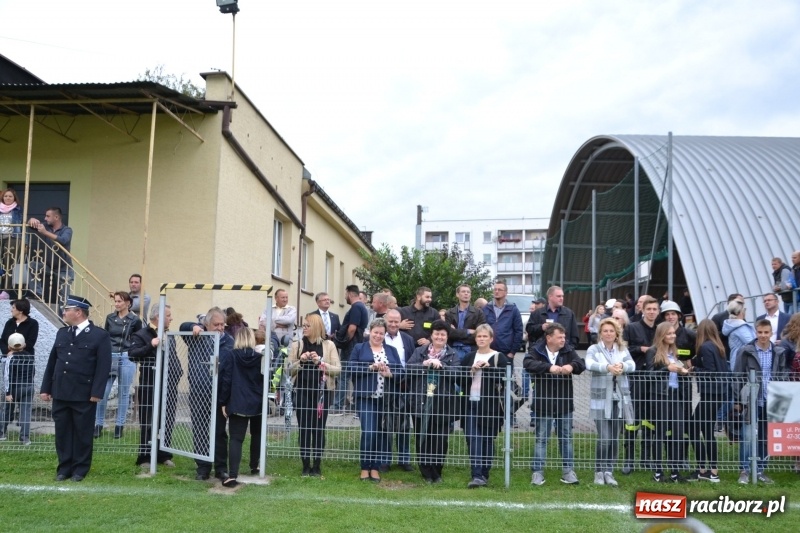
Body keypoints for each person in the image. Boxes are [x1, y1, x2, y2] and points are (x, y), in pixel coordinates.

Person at [40, 296, 112, 482]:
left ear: (78, 312)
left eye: (67, 309)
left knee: (82, 432)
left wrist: (97, 392)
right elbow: (52, 362)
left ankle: (80, 468)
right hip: (61, 390)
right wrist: (46, 388)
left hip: (83, 393)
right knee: (62, 432)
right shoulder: (62, 333)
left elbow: (103, 366)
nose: (63, 313)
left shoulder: (99, 335)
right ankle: (64, 468)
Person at [525, 322, 586, 486]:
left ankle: (568, 472)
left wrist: (571, 365)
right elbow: (527, 363)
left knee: (566, 438)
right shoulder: (536, 350)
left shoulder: (568, 350)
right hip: (543, 404)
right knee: (541, 438)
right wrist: (548, 368)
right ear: (549, 338)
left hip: (564, 403)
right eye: (560, 337)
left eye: (564, 337)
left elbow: (581, 364)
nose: (563, 340)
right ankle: (537, 472)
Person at [734, 320, 790, 484]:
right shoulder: (746, 351)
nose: (763, 336)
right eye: (760, 332)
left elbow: (782, 375)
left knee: (766, 437)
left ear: (771, 333)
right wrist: (739, 399)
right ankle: (744, 470)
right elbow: (737, 376)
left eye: (766, 332)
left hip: (770, 399)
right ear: (755, 332)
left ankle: (760, 470)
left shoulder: (778, 352)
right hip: (751, 400)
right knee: (747, 436)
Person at [181, 307, 233, 481]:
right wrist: (193, 326)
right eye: (216, 324)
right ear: (206, 324)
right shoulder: (197, 338)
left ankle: (220, 468)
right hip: (198, 393)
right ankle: (203, 468)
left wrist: (225, 399)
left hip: (219, 396)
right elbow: (182, 326)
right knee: (200, 430)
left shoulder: (229, 342)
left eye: (222, 325)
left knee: (219, 432)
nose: (220, 328)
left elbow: (228, 374)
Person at [286, 313, 341, 477]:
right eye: (304, 326)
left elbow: (337, 369)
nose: (304, 328)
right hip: (302, 392)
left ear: (316, 327)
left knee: (318, 429)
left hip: (322, 394)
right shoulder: (297, 345)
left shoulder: (329, 345)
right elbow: (288, 370)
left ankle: (316, 466)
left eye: (307, 326)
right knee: (304, 428)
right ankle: (305, 465)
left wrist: (320, 363)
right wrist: (301, 361)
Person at [349, 318, 403, 482]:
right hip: (366, 397)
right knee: (369, 432)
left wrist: (390, 374)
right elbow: (351, 368)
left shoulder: (391, 350)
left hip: (386, 399)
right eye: (375, 332)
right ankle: (365, 467)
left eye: (381, 333)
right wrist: (370, 368)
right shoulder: (359, 348)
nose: (378, 336)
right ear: (369, 332)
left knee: (381, 433)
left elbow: (401, 371)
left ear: (385, 334)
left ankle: (375, 467)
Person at [128, 304, 180, 468]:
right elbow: (132, 354)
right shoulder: (141, 334)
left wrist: (177, 372)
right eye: (169, 315)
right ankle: (145, 456)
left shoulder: (168, 335)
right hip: (149, 385)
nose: (171, 318)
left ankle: (163, 454)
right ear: (159, 317)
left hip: (169, 385)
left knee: (167, 419)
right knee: (148, 420)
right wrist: (151, 345)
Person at [407, 320, 459, 483]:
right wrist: (425, 364)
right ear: (431, 335)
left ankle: (437, 472)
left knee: (439, 438)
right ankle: (426, 472)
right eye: (436, 334)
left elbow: (457, 373)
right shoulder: (419, 351)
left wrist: (441, 365)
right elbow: (408, 368)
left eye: (443, 334)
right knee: (422, 436)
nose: (439, 337)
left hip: (442, 403)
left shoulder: (453, 354)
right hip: (420, 401)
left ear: (447, 337)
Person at [585, 318, 635, 486]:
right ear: (600, 333)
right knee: (604, 438)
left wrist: (622, 366)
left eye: (611, 331)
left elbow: (632, 365)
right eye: (605, 331)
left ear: (616, 334)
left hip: (619, 400)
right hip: (600, 400)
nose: (608, 333)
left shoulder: (622, 348)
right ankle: (599, 471)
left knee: (614, 438)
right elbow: (589, 363)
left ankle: (609, 471)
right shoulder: (594, 348)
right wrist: (607, 367)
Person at [462, 324, 508, 488]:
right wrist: (471, 371)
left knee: (487, 440)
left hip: (490, 406)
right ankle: (476, 474)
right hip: (471, 404)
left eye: (485, 336)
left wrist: (490, 369)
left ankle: (484, 473)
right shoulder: (469, 357)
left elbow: (505, 378)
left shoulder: (499, 357)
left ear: (491, 339)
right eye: (479, 336)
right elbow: (460, 381)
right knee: (473, 439)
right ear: (475, 339)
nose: (481, 339)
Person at [218, 328, 264, 488]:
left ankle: (232, 475)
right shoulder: (260, 358)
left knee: (236, 438)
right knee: (257, 434)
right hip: (257, 402)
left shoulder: (231, 356)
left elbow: (226, 379)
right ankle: (255, 465)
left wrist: (223, 402)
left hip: (237, 401)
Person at [646, 322, 691, 483]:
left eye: (673, 333)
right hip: (660, 396)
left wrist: (683, 372)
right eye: (669, 333)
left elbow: (676, 371)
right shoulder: (653, 351)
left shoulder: (674, 352)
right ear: (662, 335)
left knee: (678, 434)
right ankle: (658, 472)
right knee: (660, 433)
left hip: (675, 395)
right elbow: (649, 375)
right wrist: (667, 369)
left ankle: (675, 472)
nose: (673, 336)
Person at [95, 291, 142, 439]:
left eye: (119, 301)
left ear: (127, 303)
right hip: (111, 356)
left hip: (127, 357)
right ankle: (98, 424)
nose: (116, 304)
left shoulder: (135, 320)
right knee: (103, 393)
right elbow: (105, 337)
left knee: (123, 392)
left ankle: (119, 426)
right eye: (115, 301)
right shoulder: (110, 318)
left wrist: (132, 353)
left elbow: (138, 339)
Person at [621, 295, 659, 474]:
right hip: (636, 378)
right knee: (632, 420)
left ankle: (646, 458)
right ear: (642, 310)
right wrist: (641, 349)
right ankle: (628, 460)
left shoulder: (661, 329)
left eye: (654, 309)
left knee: (651, 420)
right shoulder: (632, 328)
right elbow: (623, 349)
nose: (651, 312)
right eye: (648, 309)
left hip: (655, 380)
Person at [690, 319, 730, 483]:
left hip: (710, 394)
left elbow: (710, 371)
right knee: (707, 432)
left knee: (693, 428)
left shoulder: (705, 346)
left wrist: (694, 369)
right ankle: (712, 471)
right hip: (718, 393)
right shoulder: (718, 346)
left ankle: (703, 469)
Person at [381, 308, 415, 472]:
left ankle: (404, 459)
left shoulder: (408, 339)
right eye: (391, 321)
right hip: (384, 385)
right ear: (385, 321)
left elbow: (411, 360)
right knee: (385, 424)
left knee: (404, 424)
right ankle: (385, 459)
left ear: (400, 322)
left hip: (403, 385)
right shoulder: (379, 337)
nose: (393, 324)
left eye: (396, 321)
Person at [332, 285, 370, 413]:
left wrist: (344, 341)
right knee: (353, 377)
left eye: (345, 294)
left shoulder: (356, 308)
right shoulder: (362, 307)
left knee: (344, 377)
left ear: (349, 293)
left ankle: (337, 406)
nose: (344, 297)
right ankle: (354, 406)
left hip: (351, 347)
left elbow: (352, 328)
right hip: (357, 345)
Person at [27, 207, 73, 304]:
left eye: (48, 216)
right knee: (32, 265)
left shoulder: (67, 230)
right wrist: (31, 220)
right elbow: (31, 225)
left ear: (56, 217)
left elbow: (63, 240)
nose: (45, 218)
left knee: (64, 297)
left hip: (64, 267)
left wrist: (45, 233)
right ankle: (38, 295)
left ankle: (63, 317)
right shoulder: (46, 226)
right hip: (48, 265)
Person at [0, 333, 35, 444]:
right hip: (29, 386)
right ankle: (25, 438)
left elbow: (7, 376)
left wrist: (8, 392)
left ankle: (1, 433)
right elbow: (33, 372)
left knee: (6, 409)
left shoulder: (10, 358)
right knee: (25, 413)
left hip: (15, 388)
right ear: (24, 345)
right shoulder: (30, 356)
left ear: (9, 347)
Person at [444, 284, 486, 362]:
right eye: (463, 291)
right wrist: (468, 331)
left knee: (469, 373)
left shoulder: (478, 313)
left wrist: (456, 331)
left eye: (468, 292)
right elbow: (449, 333)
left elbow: (479, 333)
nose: (466, 293)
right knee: (454, 374)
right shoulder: (449, 313)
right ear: (457, 294)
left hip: (471, 349)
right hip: (452, 349)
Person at [483, 280, 523, 359]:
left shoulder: (513, 310)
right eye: (495, 289)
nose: (496, 292)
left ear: (506, 292)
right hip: (488, 351)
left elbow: (518, 332)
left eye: (499, 290)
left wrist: (512, 352)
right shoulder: (486, 309)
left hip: (506, 353)